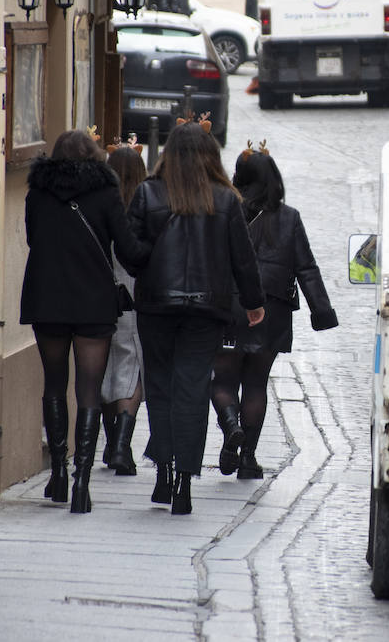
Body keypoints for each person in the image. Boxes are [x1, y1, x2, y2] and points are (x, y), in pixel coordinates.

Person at [128, 122, 266, 514]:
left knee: (160, 387)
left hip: (156, 306)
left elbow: (132, 254)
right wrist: (254, 302)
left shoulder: (148, 193)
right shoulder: (225, 199)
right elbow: (243, 258)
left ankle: (164, 471)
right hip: (207, 309)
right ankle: (184, 481)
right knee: (192, 388)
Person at [20, 129, 149, 514]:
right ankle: (82, 484)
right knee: (89, 390)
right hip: (92, 301)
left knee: (55, 384)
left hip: (47, 298)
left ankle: (58, 473)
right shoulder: (105, 193)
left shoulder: (37, 193)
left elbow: (32, 238)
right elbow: (128, 251)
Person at [212, 146, 339, 480]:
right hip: (273, 313)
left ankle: (230, 433)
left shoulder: (225, 209)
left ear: (238, 177)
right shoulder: (289, 217)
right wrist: (321, 312)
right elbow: (306, 268)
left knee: (223, 379)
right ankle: (248, 459)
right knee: (256, 384)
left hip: (230, 309)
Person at [100, 145, 150, 475]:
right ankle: (121, 446)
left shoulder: (103, 207)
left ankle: (112, 443)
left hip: (102, 297)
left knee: (105, 368)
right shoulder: (143, 210)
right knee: (131, 370)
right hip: (134, 297)